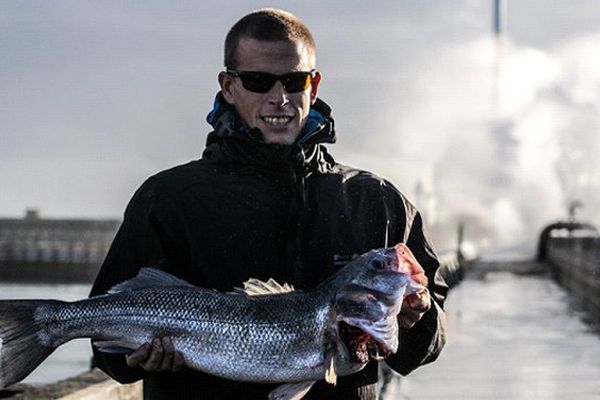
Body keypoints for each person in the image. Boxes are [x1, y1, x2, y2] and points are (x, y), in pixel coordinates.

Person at [90, 8, 448, 400]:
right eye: (259, 82)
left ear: (314, 87)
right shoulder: (166, 198)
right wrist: (135, 358)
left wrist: (420, 316)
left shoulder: (378, 202)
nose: (279, 98)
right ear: (228, 86)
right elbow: (106, 347)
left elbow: (425, 347)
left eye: (294, 81)